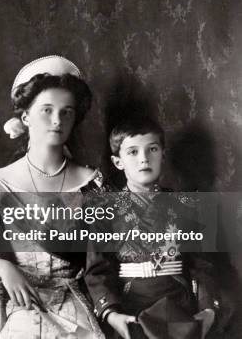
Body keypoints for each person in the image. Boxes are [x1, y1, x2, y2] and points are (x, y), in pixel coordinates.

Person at [0, 56, 105, 338]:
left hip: (74, 311)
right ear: (25, 116)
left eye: (67, 112)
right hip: (24, 310)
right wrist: (2, 267)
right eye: (47, 110)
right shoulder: (2, 182)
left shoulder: (92, 182)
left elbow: (107, 259)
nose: (57, 120)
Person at [84, 118, 222, 339]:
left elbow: (202, 264)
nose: (144, 159)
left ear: (163, 154)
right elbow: (98, 271)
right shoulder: (105, 210)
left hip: (180, 302)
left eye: (153, 149)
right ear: (117, 162)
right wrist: (111, 314)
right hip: (131, 303)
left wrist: (208, 310)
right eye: (132, 152)